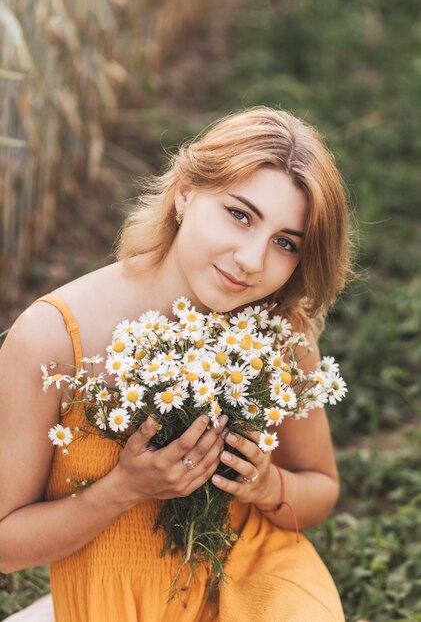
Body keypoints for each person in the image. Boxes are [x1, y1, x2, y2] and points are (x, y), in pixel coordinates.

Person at [0, 106, 352, 621]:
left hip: (256, 580)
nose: (252, 260)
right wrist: (123, 490)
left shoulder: (280, 332)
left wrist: (267, 486)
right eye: (240, 214)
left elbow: (321, 489)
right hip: (118, 601)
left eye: (285, 243)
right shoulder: (53, 338)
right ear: (186, 192)